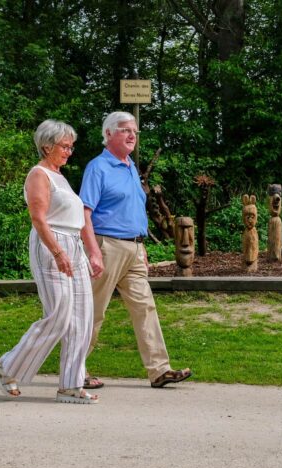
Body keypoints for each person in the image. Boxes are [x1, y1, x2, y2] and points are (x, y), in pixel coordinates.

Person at [0, 119, 100, 404]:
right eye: (65, 146)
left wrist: (86, 252)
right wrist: (58, 252)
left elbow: (76, 218)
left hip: (73, 244)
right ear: (46, 145)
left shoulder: (60, 176)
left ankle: (71, 385)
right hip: (52, 244)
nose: (69, 151)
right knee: (60, 314)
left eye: (71, 147)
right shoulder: (39, 175)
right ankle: (7, 366)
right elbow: (38, 218)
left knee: (82, 317)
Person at [80, 111, 192, 388]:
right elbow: (84, 212)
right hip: (107, 247)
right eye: (125, 130)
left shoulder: (130, 166)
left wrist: (140, 246)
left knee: (145, 307)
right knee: (94, 311)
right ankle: (75, 370)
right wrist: (93, 251)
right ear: (108, 134)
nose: (132, 135)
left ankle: (159, 370)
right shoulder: (98, 167)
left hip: (134, 249)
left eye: (135, 131)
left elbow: (133, 209)